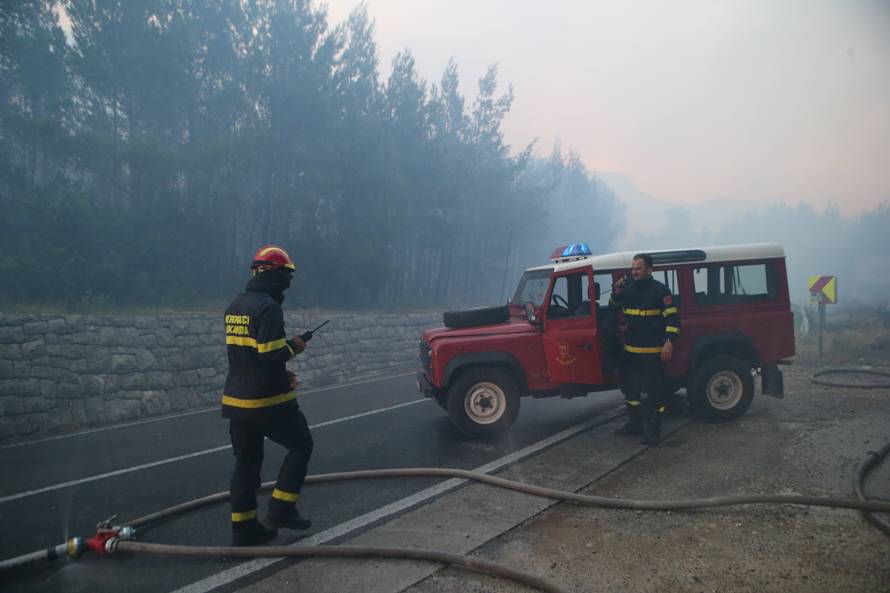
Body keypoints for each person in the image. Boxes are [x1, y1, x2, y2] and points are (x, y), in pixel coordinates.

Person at [223, 245, 314, 546]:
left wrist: (278, 370)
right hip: (267, 401)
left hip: (236, 400)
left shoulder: (235, 304)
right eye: (286, 275)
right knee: (301, 444)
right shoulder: (269, 307)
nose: (288, 282)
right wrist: (295, 346)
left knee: (246, 463)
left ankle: (244, 528)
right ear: (274, 274)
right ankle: (282, 509)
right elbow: (270, 354)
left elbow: (247, 355)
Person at [609, 253, 681, 446]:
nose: (634, 272)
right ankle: (634, 424)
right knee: (630, 391)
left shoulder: (660, 291)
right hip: (631, 351)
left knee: (654, 393)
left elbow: (673, 319)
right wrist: (616, 291)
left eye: (638, 268)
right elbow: (613, 307)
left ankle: (653, 431)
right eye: (633, 268)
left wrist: (669, 342)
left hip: (651, 353)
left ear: (649, 269)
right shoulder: (628, 288)